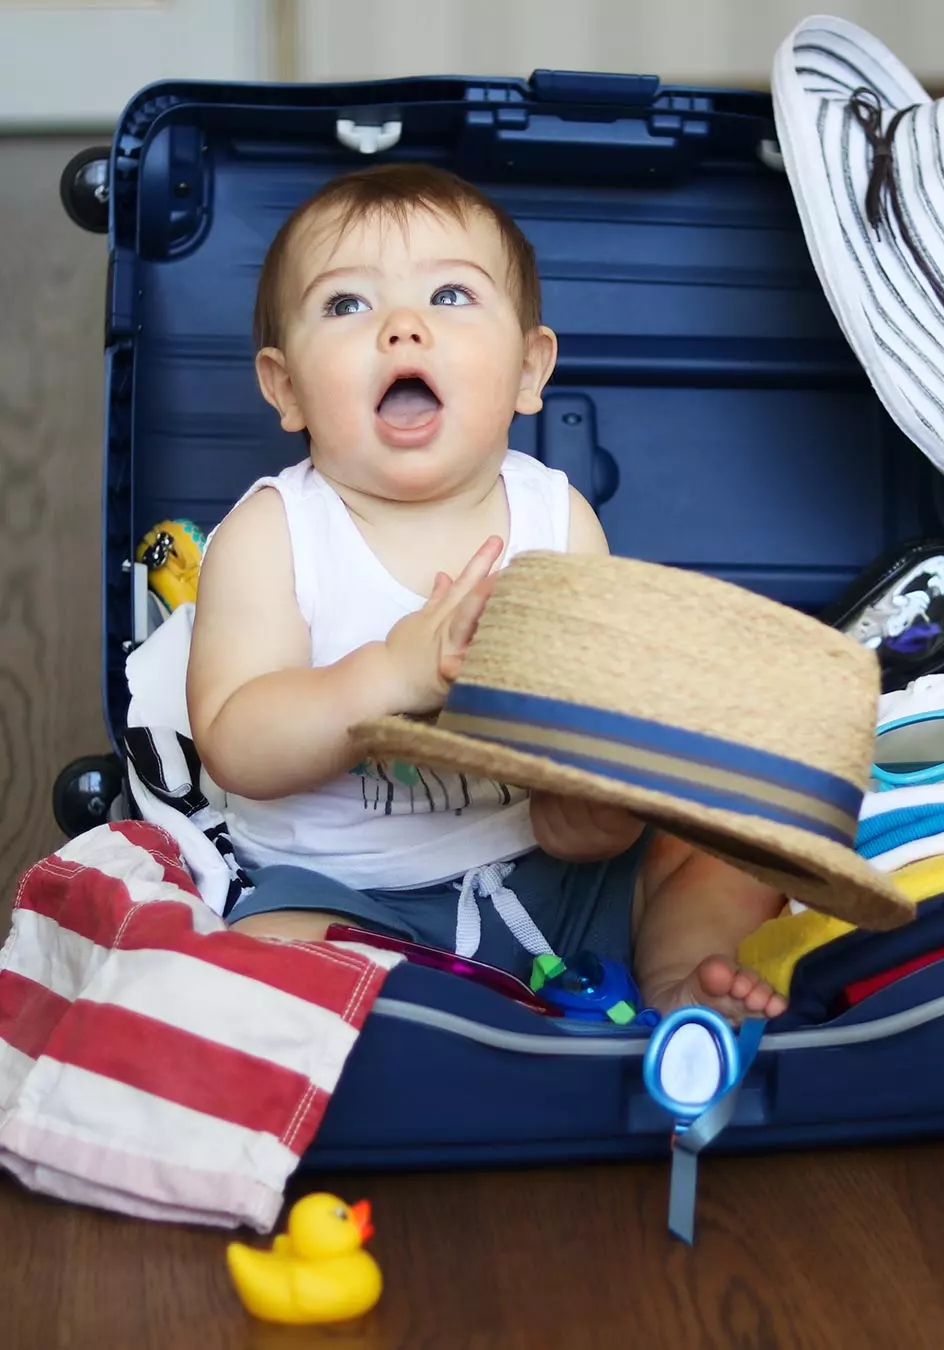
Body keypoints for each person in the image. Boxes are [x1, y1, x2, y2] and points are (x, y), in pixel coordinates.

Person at [187, 163, 788, 1021]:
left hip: (551, 881)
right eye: (347, 305)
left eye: (451, 298)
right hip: (353, 897)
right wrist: (391, 677)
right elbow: (237, 743)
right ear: (286, 388)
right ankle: (404, 1020)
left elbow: (579, 771)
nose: (402, 329)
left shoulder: (557, 521)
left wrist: (599, 809)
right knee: (261, 960)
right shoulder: (275, 533)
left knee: (728, 846)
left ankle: (676, 982)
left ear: (528, 371)